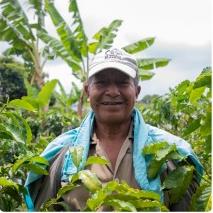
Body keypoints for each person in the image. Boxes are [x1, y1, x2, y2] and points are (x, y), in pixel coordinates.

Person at [24, 47, 203, 211]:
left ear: (137, 91)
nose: (112, 92)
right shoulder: (62, 156)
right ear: (87, 91)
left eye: (123, 83)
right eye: (101, 83)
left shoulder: (170, 154)